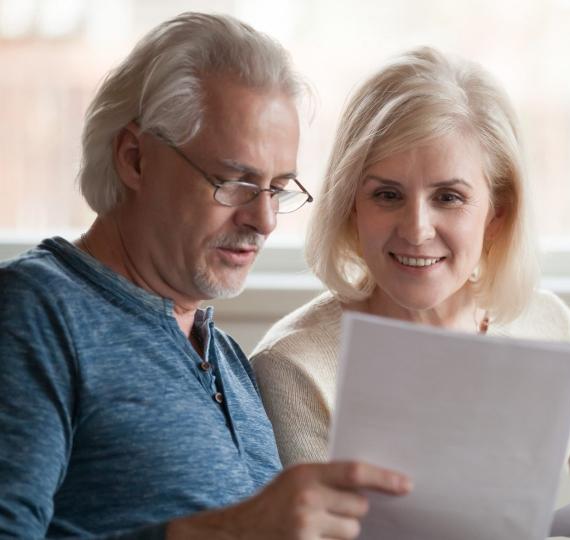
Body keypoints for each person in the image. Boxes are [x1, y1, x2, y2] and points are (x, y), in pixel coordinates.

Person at [252, 47, 570, 540]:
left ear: (497, 213)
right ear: (350, 206)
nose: (417, 228)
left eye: (448, 197)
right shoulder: (295, 365)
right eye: (387, 195)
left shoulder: (547, 326)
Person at [0, 12, 410, 539]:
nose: (262, 220)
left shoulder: (230, 362)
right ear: (135, 158)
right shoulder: (34, 314)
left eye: (278, 188)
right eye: (235, 181)